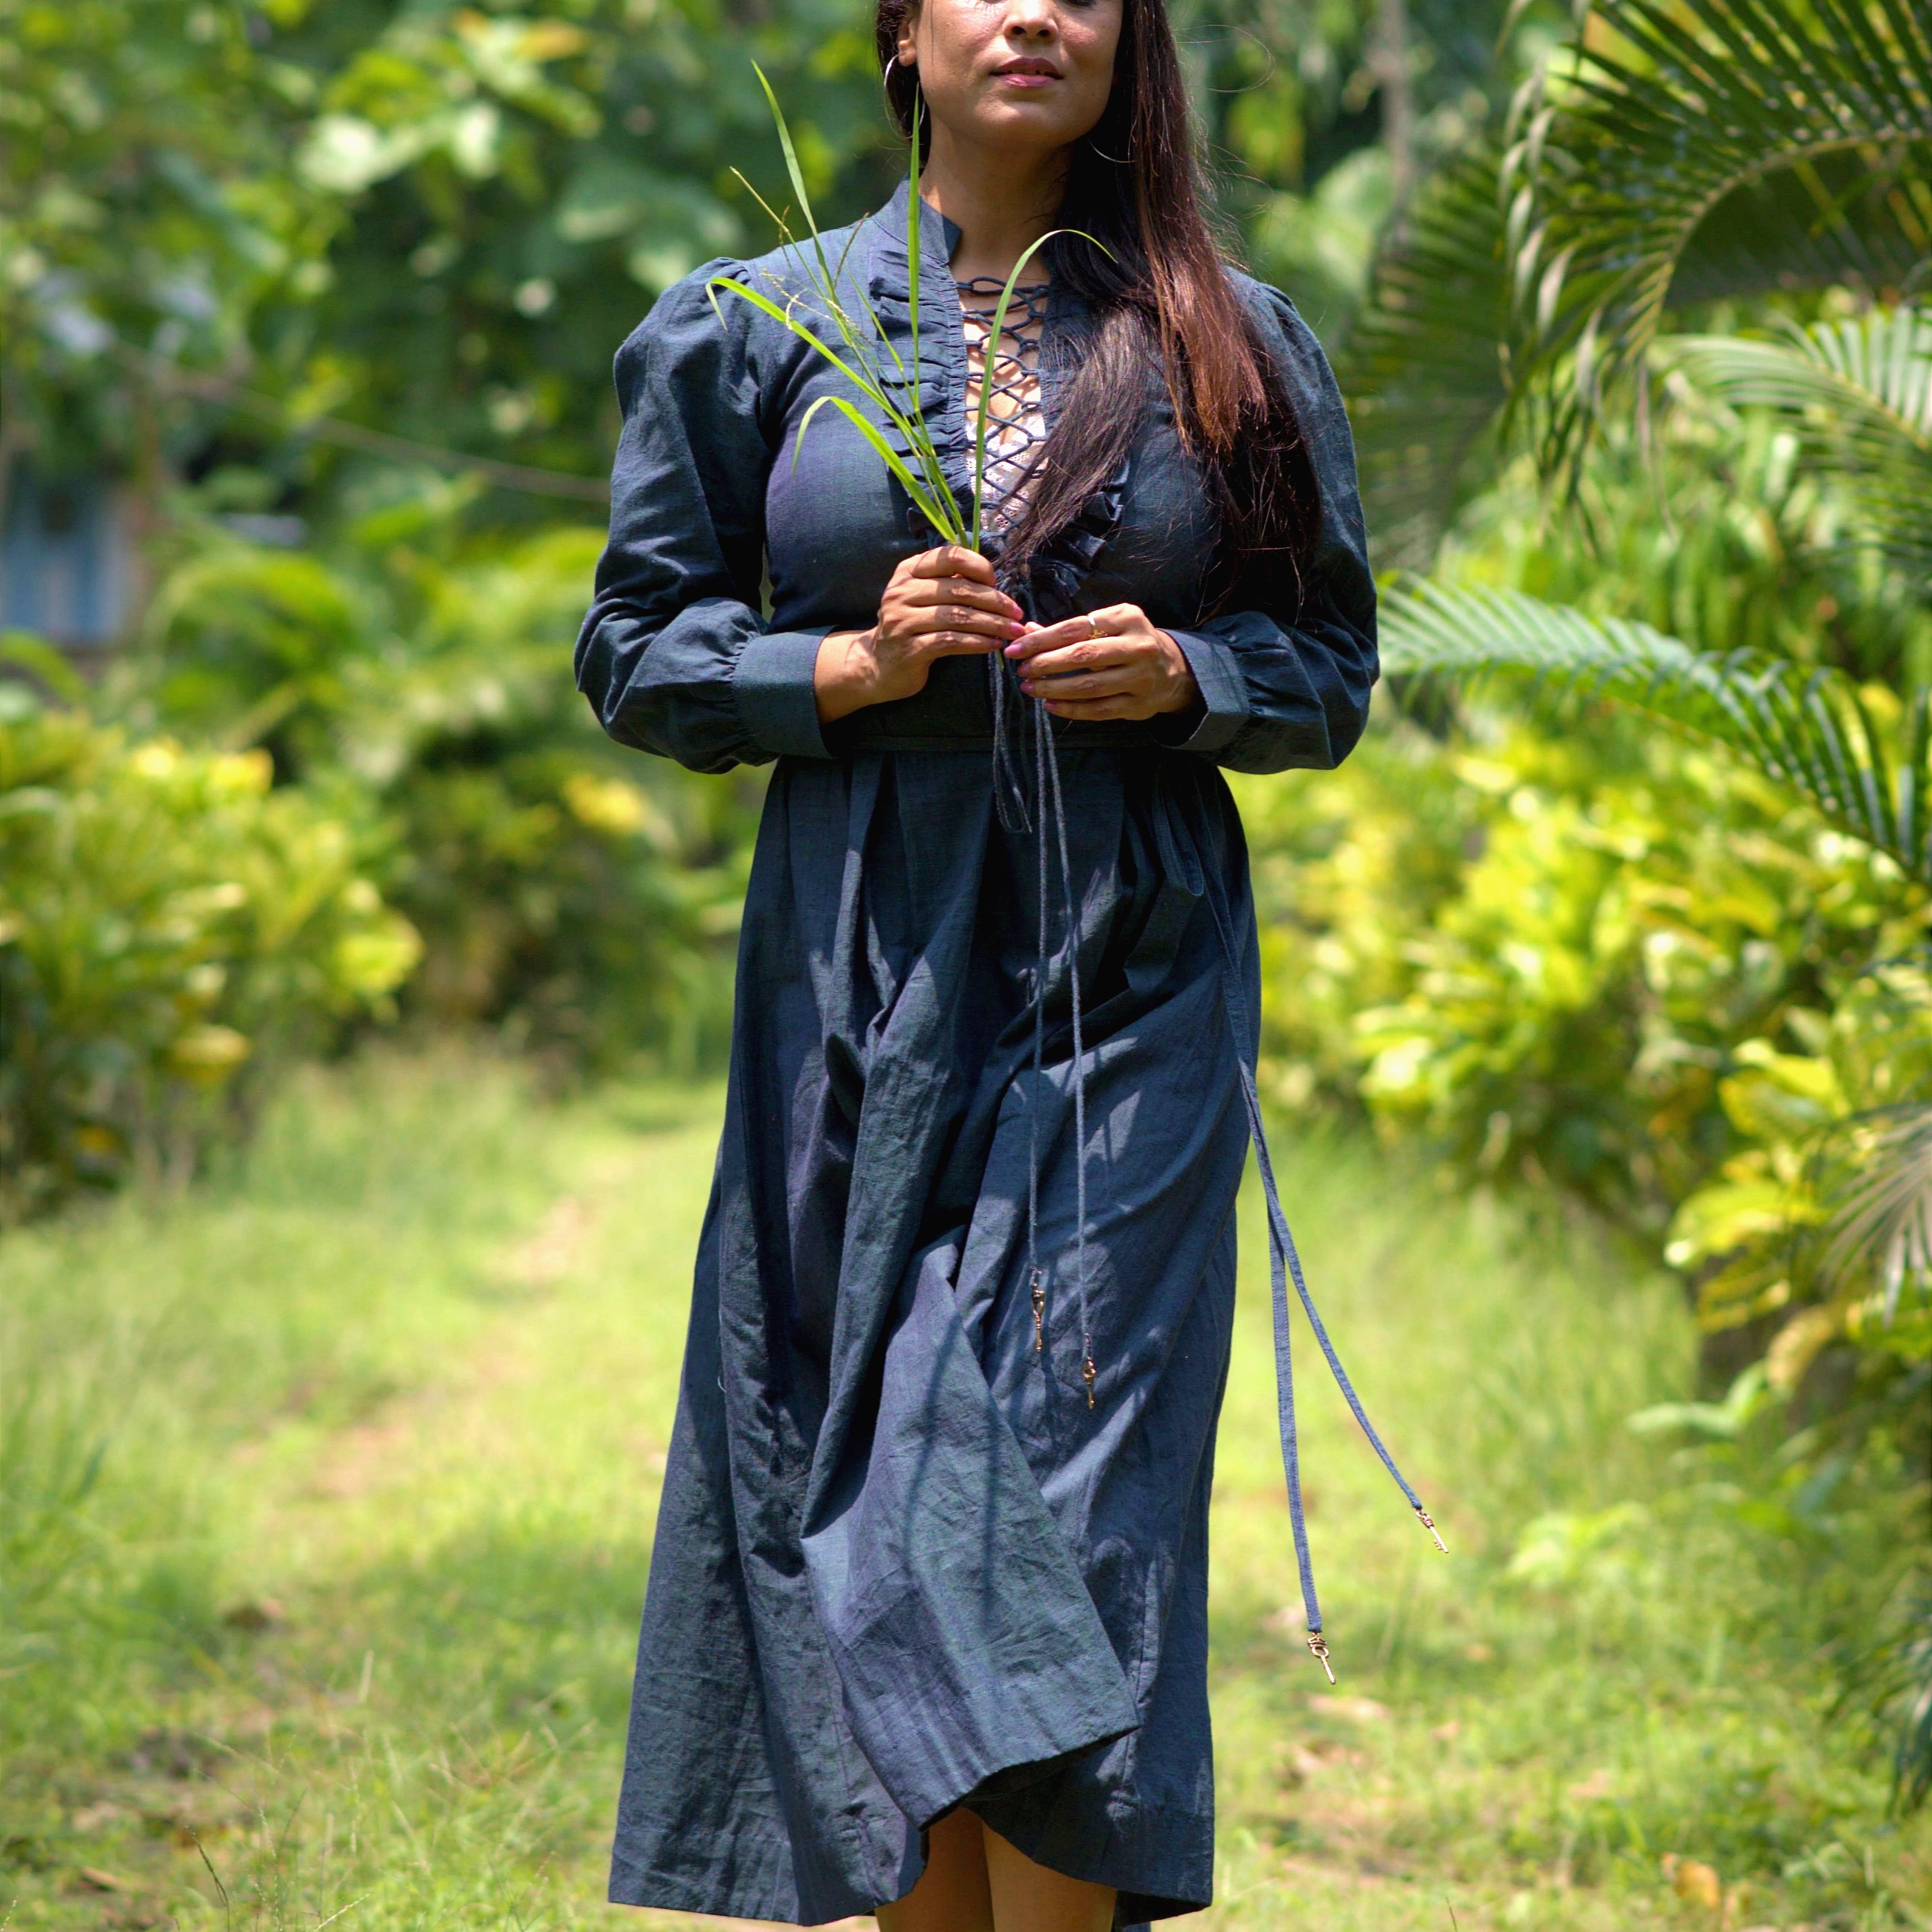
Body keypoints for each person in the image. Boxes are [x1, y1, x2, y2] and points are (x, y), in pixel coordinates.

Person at [573, 0, 1393, 1923]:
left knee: (1041, 1502)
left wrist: (1195, 673)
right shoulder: (750, 326)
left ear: (1131, 38)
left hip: (1133, 966)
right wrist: (843, 666)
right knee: (871, 1498)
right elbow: (636, 646)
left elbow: (1332, 661)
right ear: (904, 34)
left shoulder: (1235, 339)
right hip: (858, 970)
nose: (1036, 10)